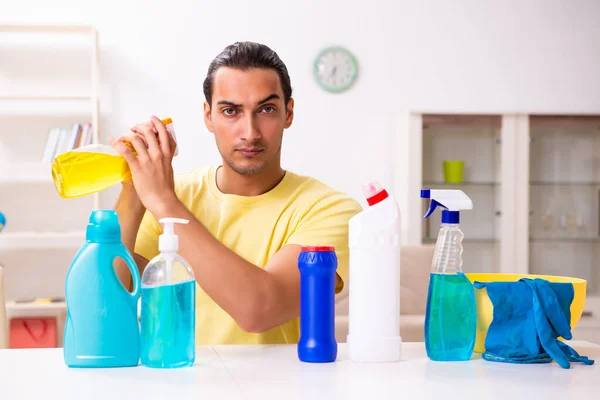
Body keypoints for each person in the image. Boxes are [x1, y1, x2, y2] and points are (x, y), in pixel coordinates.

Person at [112, 41, 362, 345]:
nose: (250, 132)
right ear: (208, 116)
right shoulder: (169, 196)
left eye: (266, 109)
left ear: (288, 113)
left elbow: (259, 309)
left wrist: (163, 201)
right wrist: (133, 190)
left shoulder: (333, 210)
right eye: (230, 111)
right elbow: (109, 304)